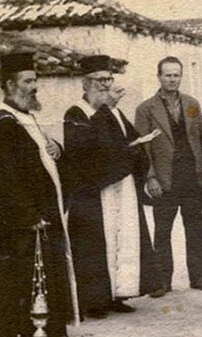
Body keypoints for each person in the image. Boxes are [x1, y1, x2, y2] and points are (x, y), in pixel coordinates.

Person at [0, 52, 77, 337]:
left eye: (35, 80)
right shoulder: (2, 123)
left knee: (39, 272)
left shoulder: (26, 117)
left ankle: (43, 331)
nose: (34, 86)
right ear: (9, 85)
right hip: (22, 219)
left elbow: (37, 158)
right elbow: (2, 178)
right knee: (27, 275)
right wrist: (28, 213)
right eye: (27, 81)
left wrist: (56, 150)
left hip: (37, 214)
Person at [63, 55, 162, 317]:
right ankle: (95, 300)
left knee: (124, 239)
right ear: (85, 83)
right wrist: (105, 115)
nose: (106, 85)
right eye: (100, 80)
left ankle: (118, 293)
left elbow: (130, 140)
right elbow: (83, 152)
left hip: (121, 185)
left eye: (109, 79)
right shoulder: (76, 113)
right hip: (95, 191)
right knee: (96, 245)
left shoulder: (114, 110)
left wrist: (138, 147)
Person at [134, 56, 202, 298]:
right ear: (159, 77)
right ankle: (163, 281)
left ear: (181, 76)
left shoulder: (191, 104)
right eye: (167, 75)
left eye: (176, 75)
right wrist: (150, 178)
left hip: (192, 176)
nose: (172, 79)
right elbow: (143, 148)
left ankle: (198, 276)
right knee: (163, 231)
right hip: (165, 179)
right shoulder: (146, 109)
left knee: (195, 229)